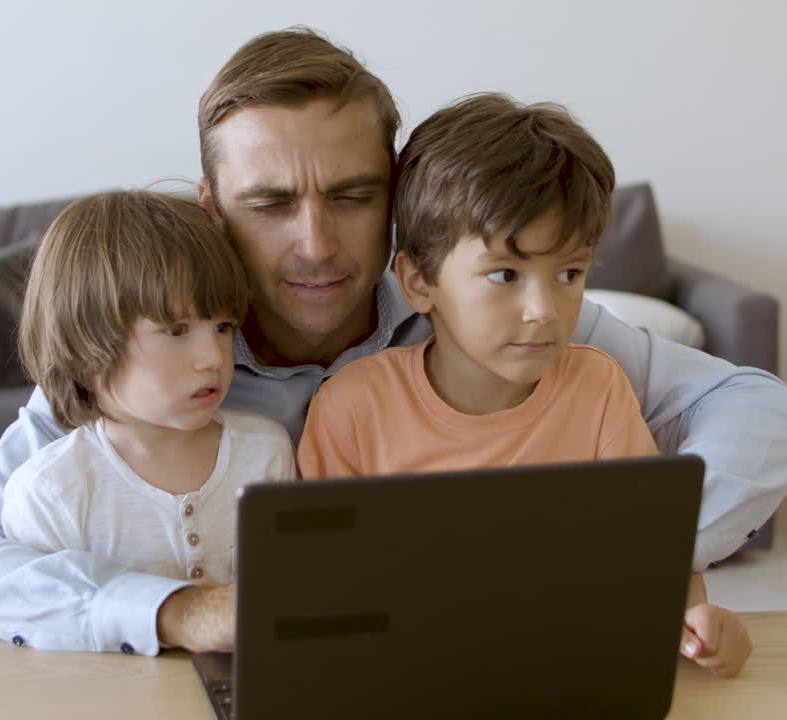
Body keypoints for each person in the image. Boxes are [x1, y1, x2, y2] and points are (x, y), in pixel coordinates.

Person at [0, 27, 787, 656]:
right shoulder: (148, 368)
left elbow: (762, 416)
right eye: (269, 204)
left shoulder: (480, 323)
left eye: (351, 196)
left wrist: (627, 566)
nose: (316, 244)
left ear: (399, 199)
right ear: (212, 210)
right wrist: (176, 610)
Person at [297, 94, 751, 677]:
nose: (543, 310)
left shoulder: (597, 388)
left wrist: (700, 627)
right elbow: (322, 598)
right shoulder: (351, 407)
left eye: (569, 273)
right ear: (417, 280)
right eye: (505, 274)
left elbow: (651, 557)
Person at [0, 192, 294, 652]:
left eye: (222, 327)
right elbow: (40, 638)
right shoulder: (50, 493)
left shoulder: (267, 452)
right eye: (175, 331)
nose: (212, 358)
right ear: (82, 353)